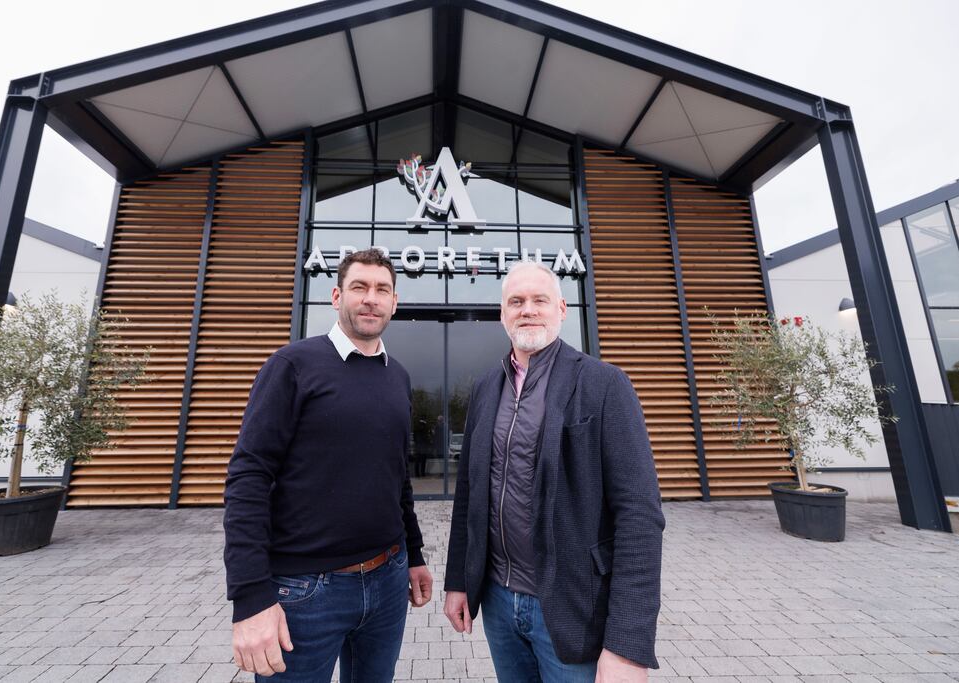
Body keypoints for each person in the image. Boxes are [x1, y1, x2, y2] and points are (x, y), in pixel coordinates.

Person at [443, 261, 664, 682]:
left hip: (572, 608)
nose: (527, 309)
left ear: (561, 309)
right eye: (516, 302)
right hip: (498, 603)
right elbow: (469, 494)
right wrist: (459, 581)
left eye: (539, 300)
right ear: (503, 314)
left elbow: (640, 515)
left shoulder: (604, 384)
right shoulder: (486, 388)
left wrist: (627, 645)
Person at [224, 249, 433, 682]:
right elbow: (248, 477)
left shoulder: (398, 376)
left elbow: (398, 479)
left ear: (395, 302)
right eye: (359, 287)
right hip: (305, 593)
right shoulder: (292, 366)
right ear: (337, 296)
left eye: (382, 290)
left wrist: (414, 554)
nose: (371, 298)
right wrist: (250, 597)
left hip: (388, 580)